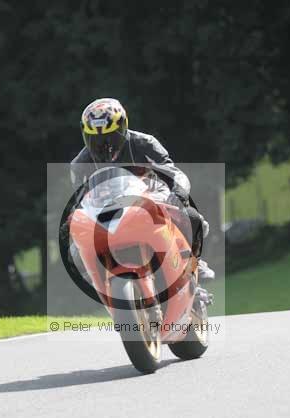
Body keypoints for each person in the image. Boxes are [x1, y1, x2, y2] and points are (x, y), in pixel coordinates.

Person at [70, 97, 214, 308]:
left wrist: (178, 192)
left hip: (152, 198)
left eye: (110, 137)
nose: (104, 145)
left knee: (191, 217)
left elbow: (172, 172)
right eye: (96, 140)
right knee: (75, 249)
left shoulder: (144, 143)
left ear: (123, 127)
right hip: (108, 212)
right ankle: (98, 280)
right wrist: (74, 220)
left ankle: (194, 264)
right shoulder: (79, 164)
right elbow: (79, 200)